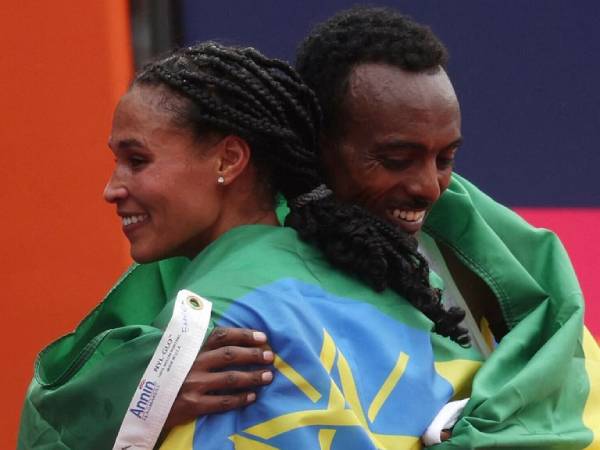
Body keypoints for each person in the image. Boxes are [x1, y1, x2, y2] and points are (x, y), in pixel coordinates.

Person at [17, 42, 481, 450]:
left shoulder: (215, 322)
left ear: (229, 158)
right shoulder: (398, 289)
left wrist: (140, 409)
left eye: (138, 161)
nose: (113, 188)